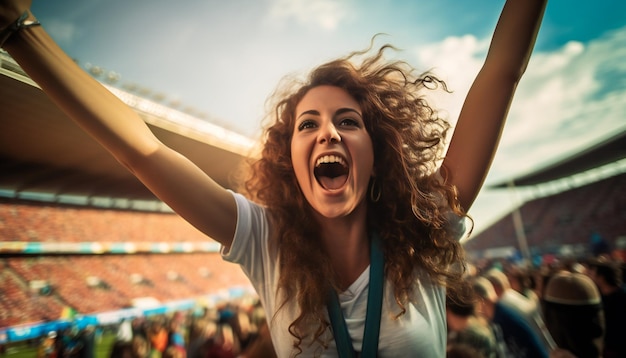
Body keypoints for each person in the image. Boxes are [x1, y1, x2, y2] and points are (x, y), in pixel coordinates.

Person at [0, 0, 547, 356]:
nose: (328, 132)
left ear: (376, 154)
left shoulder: (420, 225)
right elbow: (142, 149)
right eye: (308, 124)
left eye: (347, 121)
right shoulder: (267, 240)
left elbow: (501, 72)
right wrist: (19, 31)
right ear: (291, 160)